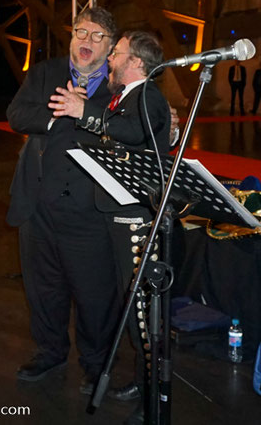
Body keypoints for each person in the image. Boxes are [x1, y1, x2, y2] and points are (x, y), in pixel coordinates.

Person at [49, 30, 171, 424]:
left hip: (136, 219)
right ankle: (142, 379)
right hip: (119, 215)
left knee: (142, 313)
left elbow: (135, 134)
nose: (111, 60)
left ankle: (152, 397)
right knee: (132, 308)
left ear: (135, 61)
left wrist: (83, 113)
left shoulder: (147, 95)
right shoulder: (128, 96)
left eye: (116, 53)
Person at [7, 7, 120, 390]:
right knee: (43, 288)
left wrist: (84, 111)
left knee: (94, 294)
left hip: (90, 211)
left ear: (110, 45)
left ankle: (95, 362)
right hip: (38, 205)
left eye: (96, 35)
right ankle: (50, 352)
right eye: (79, 32)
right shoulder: (44, 74)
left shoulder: (120, 86)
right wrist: (57, 114)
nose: (85, 41)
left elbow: (133, 131)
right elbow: (17, 114)